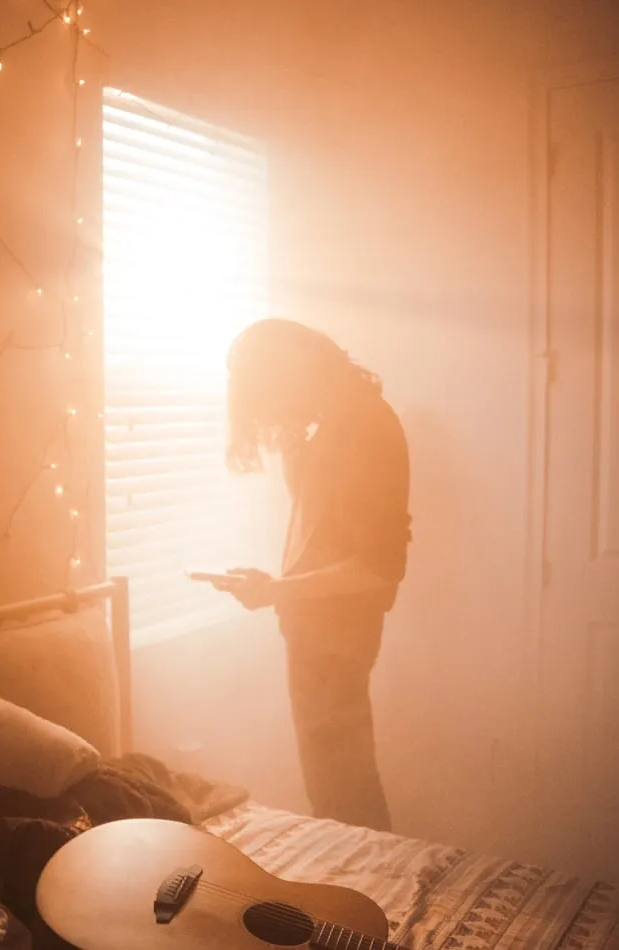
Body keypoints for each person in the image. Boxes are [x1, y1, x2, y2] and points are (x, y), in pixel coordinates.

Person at [214, 318, 410, 831]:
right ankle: (359, 871)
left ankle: (366, 878)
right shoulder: (329, 424)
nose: (270, 415)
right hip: (316, 631)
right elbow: (323, 535)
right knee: (334, 788)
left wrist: (276, 590)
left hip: (336, 638)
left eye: (269, 399)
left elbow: (378, 566)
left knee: (344, 791)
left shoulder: (361, 427)